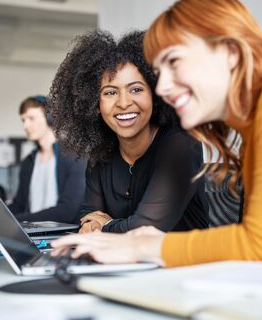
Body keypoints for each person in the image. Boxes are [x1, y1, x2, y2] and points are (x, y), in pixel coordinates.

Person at [52, 0, 262, 265]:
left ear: (230, 51)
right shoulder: (256, 124)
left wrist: (143, 245)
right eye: (160, 72)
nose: (164, 87)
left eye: (175, 62)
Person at [48, 30, 213, 234]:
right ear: (94, 103)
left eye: (135, 89)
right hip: (123, 262)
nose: (124, 103)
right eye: (110, 93)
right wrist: (92, 224)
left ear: (156, 94)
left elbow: (148, 228)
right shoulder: (101, 154)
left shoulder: (181, 145)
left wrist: (106, 225)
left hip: (182, 264)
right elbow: (88, 214)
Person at [7, 95, 86, 223]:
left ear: (50, 118)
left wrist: (18, 221)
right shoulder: (28, 162)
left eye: (31, 118)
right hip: (31, 235)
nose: (25, 126)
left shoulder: (75, 157)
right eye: (23, 120)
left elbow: (68, 211)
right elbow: (19, 205)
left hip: (61, 236)